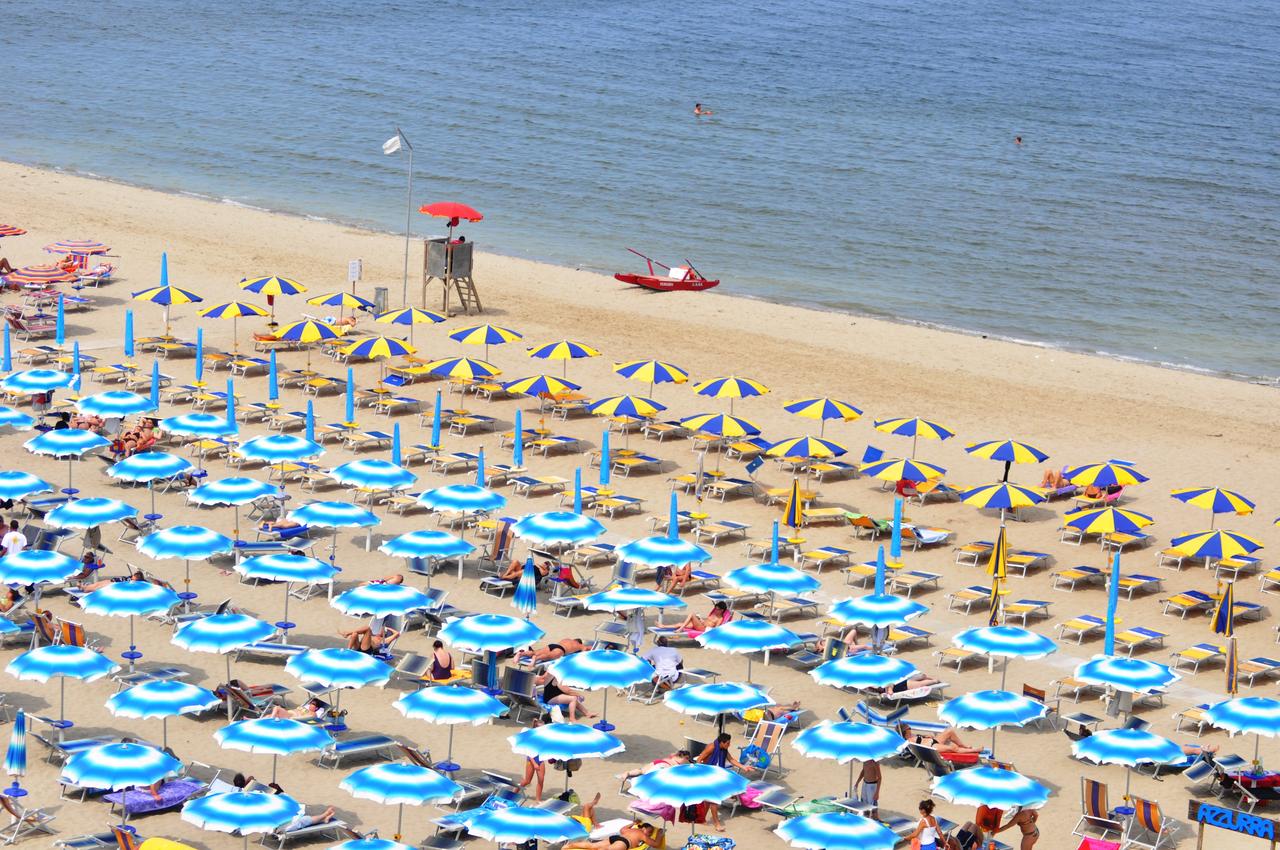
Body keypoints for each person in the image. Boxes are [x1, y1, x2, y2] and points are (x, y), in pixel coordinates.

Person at [564, 792, 664, 849]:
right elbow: (656, 844)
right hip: (624, 842)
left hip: (616, 837)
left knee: (593, 846)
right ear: (643, 828)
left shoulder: (631, 830)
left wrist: (633, 823)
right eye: (649, 831)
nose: (650, 834)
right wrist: (659, 834)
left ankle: (569, 846)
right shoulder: (642, 834)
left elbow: (622, 830)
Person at [696, 733, 754, 831]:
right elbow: (699, 760)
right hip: (708, 776)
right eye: (727, 743)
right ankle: (717, 824)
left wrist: (744, 767)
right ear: (721, 743)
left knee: (708, 799)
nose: (729, 745)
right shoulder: (711, 747)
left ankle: (702, 819)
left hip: (718, 775)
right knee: (714, 800)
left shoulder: (724, 749)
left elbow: (731, 759)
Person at [516, 714, 549, 800]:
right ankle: (514, 792)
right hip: (531, 761)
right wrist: (534, 764)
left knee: (541, 780)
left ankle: (538, 800)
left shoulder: (543, 737)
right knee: (527, 781)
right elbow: (528, 752)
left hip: (540, 760)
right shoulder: (532, 738)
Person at [898, 722, 982, 755]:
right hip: (932, 747)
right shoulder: (908, 741)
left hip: (933, 741)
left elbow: (920, 739)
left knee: (950, 731)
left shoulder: (912, 735)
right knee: (953, 748)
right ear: (905, 731)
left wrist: (925, 736)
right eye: (909, 728)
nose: (910, 729)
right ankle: (974, 750)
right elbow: (918, 750)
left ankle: (964, 746)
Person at [618, 750, 691, 781]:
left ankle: (628, 772)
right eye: (687, 758)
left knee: (642, 771)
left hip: (659, 762)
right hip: (664, 765)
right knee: (653, 777)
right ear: (685, 757)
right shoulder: (681, 761)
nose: (687, 760)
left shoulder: (673, 756)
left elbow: (673, 754)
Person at [518, 637, 588, 665]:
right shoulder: (579, 645)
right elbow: (586, 649)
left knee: (535, 652)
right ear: (579, 642)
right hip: (561, 649)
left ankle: (521, 654)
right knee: (549, 656)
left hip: (552, 645)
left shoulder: (566, 639)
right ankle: (536, 658)